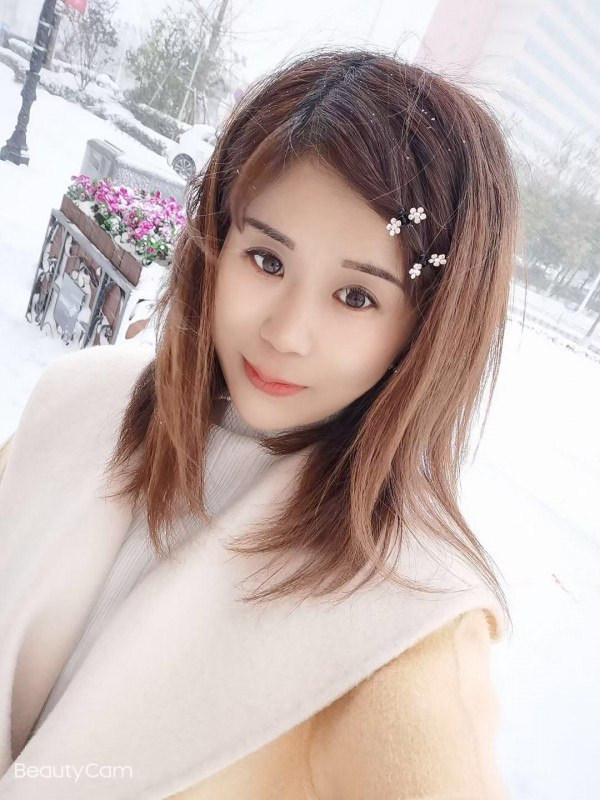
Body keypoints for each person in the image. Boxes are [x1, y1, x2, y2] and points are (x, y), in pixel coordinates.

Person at [0, 47, 519, 799]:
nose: (286, 333)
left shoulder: (405, 622)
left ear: (429, 329)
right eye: (268, 260)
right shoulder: (79, 403)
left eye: (356, 297)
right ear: (217, 242)